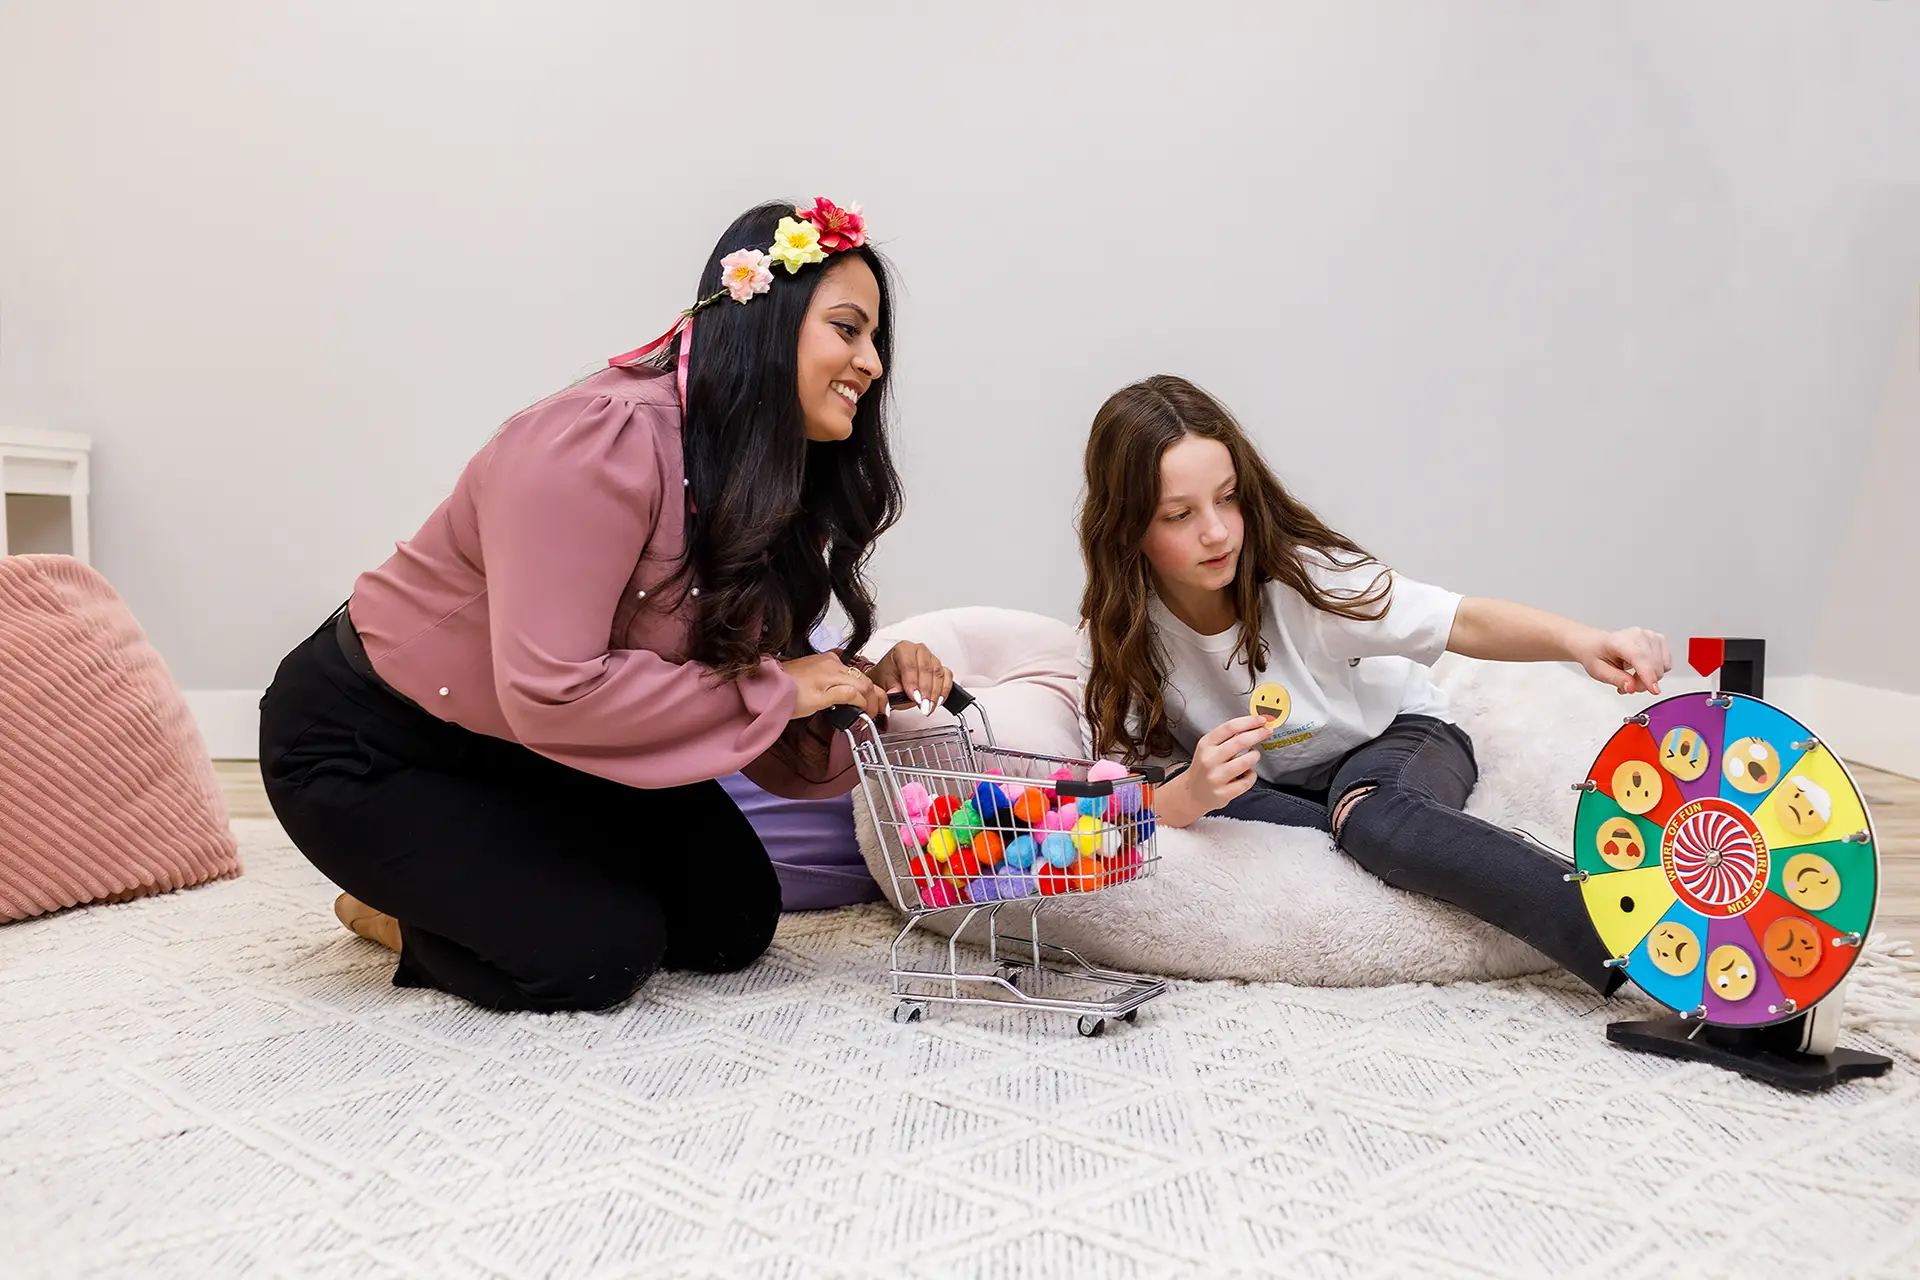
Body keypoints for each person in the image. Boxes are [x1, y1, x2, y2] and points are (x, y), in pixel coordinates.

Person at [259, 199, 951, 1012]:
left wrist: (858, 691)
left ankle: (498, 880)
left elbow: (758, 709)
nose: (871, 364)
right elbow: (555, 689)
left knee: (732, 919)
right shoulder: (598, 441)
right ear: (765, 318)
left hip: (540, 747)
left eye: (876, 341)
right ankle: (393, 913)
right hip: (373, 741)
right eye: (847, 328)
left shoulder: (768, 489)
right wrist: (777, 687)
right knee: (592, 956)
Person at [1075, 374, 1672, 992]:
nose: (1218, 532)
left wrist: (1581, 642)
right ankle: (1376, 829)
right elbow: (1128, 794)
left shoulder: (1306, 579)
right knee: (1221, 809)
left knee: (1371, 818)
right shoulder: (1117, 637)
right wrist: (1193, 792)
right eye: (1179, 515)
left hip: (1399, 737)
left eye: (1228, 499)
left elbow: (1459, 618)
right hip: (1269, 784)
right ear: (1126, 528)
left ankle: (1635, 939)